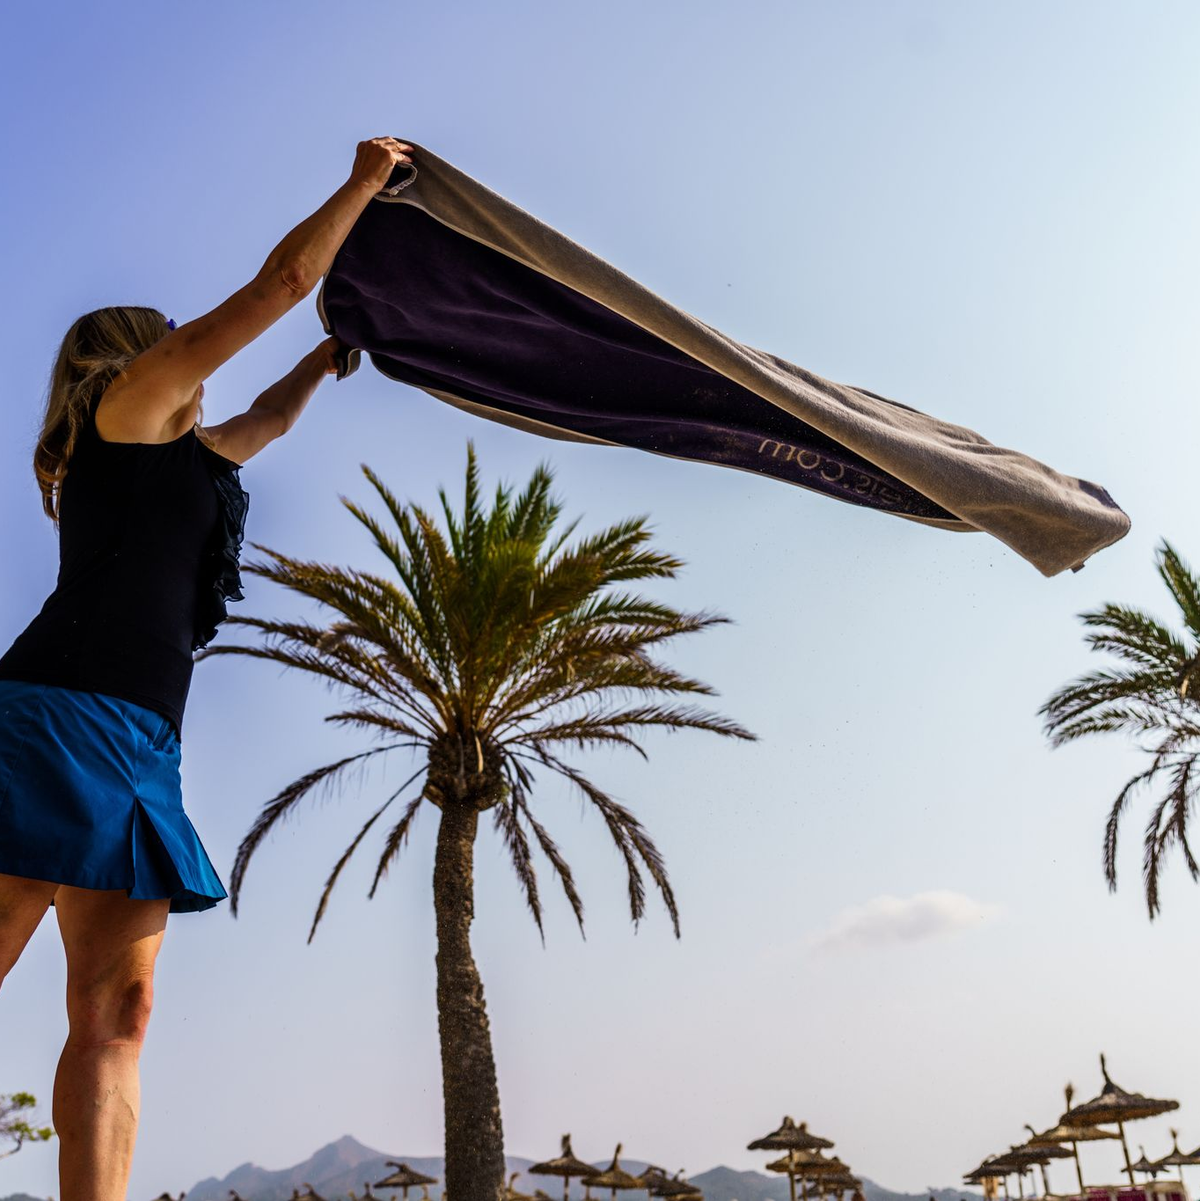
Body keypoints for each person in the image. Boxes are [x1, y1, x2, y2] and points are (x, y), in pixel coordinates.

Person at [0, 135, 414, 1201]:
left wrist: (325, 361)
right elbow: (282, 281)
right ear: (144, 355)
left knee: (118, 1015)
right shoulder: (125, 409)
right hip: (51, 715)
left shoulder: (193, 454)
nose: (194, 353)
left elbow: (267, 420)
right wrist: (365, 180)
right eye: (179, 342)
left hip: (143, 744)